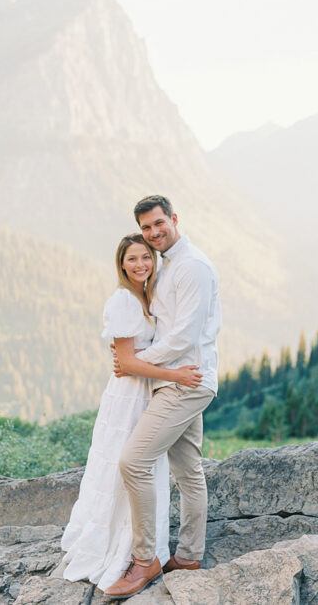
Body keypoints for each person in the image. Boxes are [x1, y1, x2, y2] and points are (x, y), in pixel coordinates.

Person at [60, 234, 204, 592]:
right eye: (132, 259)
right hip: (129, 395)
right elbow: (125, 362)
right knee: (126, 466)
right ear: (121, 264)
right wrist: (176, 374)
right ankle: (127, 549)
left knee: (145, 467)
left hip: (149, 391)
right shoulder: (124, 300)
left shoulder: (147, 296)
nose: (140, 264)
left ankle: (149, 549)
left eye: (146, 257)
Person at [104, 195, 221, 599]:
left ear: (174, 219)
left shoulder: (193, 267)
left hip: (183, 382)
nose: (154, 233)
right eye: (147, 228)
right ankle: (189, 556)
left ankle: (144, 560)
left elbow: (183, 337)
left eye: (159, 224)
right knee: (190, 471)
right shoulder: (166, 265)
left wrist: (136, 362)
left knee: (133, 461)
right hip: (178, 379)